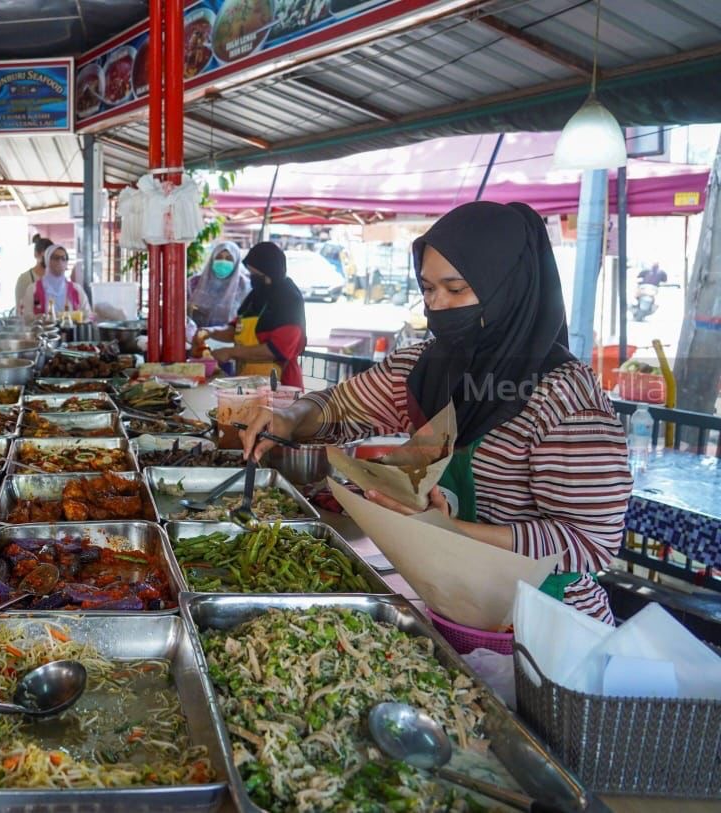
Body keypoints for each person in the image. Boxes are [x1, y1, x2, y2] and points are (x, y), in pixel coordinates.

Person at [243, 201, 632, 623]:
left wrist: (450, 531)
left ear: (508, 287)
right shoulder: (424, 368)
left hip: (551, 628)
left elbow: (590, 543)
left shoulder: (564, 397)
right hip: (454, 602)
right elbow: (339, 406)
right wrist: (292, 416)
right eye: (428, 289)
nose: (439, 304)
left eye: (456, 288)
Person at [208, 242, 306, 388]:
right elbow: (236, 329)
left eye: (256, 274)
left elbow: (277, 350)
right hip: (248, 381)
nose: (253, 278)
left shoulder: (289, 300)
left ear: (270, 271)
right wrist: (209, 332)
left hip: (280, 386)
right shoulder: (257, 295)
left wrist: (231, 352)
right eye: (251, 273)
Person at [187, 240, 251, 328]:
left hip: (228, 339)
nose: (223, 261)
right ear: (212, 259)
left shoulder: (244, 286)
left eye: (229, 259)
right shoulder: (193, 283)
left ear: (236, 262)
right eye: (219, 257)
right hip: (195, 338)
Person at [19, 243, 91, 319]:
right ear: (47, 260)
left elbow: (88, 315)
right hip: (44, 330)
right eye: (55, 258)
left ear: (67, 263)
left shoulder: (76, 289)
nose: (60, 261)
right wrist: (42, 318)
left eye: (63, 258)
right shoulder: (33, 289)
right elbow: (26, 317)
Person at [15, 235, 50, 310]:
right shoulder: (25, 279)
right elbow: (20, 310)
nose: (47, 259)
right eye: (45, 254)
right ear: (36, 254)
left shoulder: (55, 279)